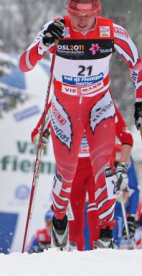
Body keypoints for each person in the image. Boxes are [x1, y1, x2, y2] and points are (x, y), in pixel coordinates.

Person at [19, 0, 142, 250]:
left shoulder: (110, 31)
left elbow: (136, 64)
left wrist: (141, 104)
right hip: (64, 111)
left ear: (97, 9)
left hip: (98, 107)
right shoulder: (56, 28)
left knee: (104, 168)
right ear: (69, 8)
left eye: (88, 13)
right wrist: (44, 42)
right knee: (66, 174)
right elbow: (24, 64)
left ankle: (106, 231)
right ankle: (59, 221)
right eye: (77, 13)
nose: (82, 20)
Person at [31, 103, 133, 250]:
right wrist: (40, 139)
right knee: (74, 228)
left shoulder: (103, 98)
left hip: (97, 169)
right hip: (72, 171)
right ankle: (74, 266)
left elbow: (126, 137)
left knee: (96, 221)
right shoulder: (60, 99)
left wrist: (122, 167)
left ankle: (100, 261)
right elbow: (36, 134)